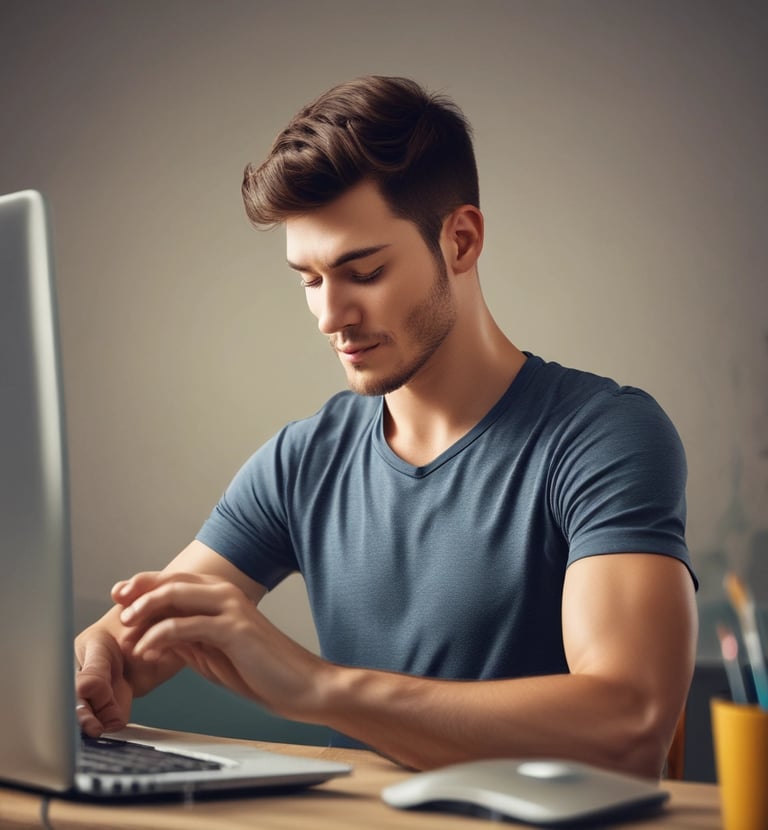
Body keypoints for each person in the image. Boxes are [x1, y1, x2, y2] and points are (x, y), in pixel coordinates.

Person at [75, 75, 698, 778]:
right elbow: (137, 634)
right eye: (308, 279)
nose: (328, 314)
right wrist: (100, 662)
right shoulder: (303, 460)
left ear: (460, 241)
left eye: (362, 272)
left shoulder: (603, 438)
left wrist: (317, 688)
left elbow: (630, 722)